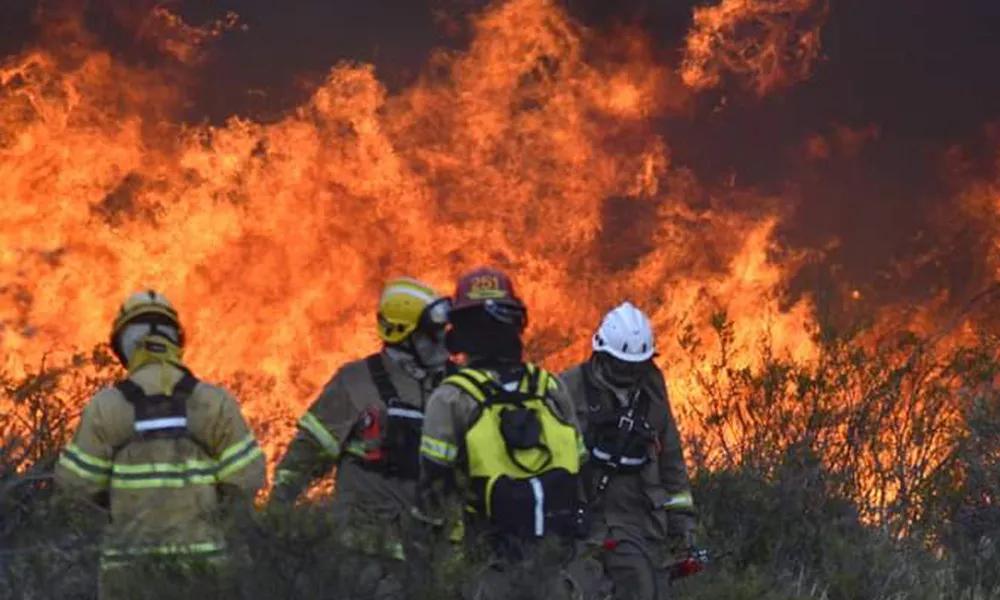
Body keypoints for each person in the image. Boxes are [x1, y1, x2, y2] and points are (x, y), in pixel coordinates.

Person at [54, 290, 267, 599]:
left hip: (127, 570)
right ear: (176, 341)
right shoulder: (214, 403)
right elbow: (246, 480)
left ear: (123, 346)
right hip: (204, 570)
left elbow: (76, 486)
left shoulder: (106, 407)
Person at [415, 267, 595, 600]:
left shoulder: (452, 396)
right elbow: (581, 471)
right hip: (551, 564)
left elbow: (433, 491)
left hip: (487, 568)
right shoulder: (548, 386)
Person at [270, 277, 452, 592]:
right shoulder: (356, 383)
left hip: (440, 550)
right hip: (369, 551)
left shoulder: (457, 386)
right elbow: (310, 450)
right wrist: (278, 509)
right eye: (430, 335)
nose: (441, 343)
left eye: (441, 333)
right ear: (402, 336)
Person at [560, 301, 697, 600]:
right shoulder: (569, 387)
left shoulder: (652, 391)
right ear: (601, 354)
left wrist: (682, 525)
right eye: (621, 364)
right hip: (580, 516)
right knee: (578, 589)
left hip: (636, 520)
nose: (628, 373)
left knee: (644, 589)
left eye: (635, 366)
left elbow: (671, 460)